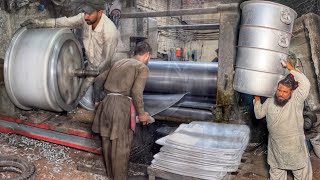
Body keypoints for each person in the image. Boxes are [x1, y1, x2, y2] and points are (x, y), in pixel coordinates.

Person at [20, 0, 120, 100]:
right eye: (85, 13)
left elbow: (105, 62)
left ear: (100, 13)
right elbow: (66, 22)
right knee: (77, 93)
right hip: (91, 65)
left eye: (89, 14)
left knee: (98, 93)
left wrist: (90, 74)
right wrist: (42, 23)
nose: (85, 17)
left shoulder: (110, 33)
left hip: (103, 70)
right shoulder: (85, 19)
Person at [92, 41, 152, 180]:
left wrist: (97, 101)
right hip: (120, 108)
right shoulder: (142, 67)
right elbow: (137, 92)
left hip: (105, 105)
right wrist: (142, 114)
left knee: (107, 147)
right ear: (147, 55)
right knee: (120, 150)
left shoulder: (119, 63)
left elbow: (98, 80)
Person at [254, 60, 312, 180]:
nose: (281, 94)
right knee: (276, 173)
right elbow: (259, 114)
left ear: (291, 93)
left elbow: (305, 83)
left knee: (301, 173)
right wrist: (257, 99)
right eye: (279, 90)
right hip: (276, 147)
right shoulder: (271, 100)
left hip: (294, 146)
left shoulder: (296, 99)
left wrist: (290, 68)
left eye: (285, 92)